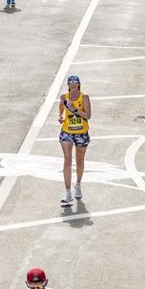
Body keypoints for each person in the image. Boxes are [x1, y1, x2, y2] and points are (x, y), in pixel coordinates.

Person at [57, 76, 91, 206]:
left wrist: (74, 109)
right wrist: (61, 117)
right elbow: (61, 108)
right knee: (67, 160)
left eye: (75, 84)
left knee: (80, 160)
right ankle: (67, 192)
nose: (72, 86)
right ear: (68, 86)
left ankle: (78, 185)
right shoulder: (63, 97)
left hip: (81, 132)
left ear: (78, 85)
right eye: (70, 84)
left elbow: (88, 115)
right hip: (67, 132)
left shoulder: (84, 97)